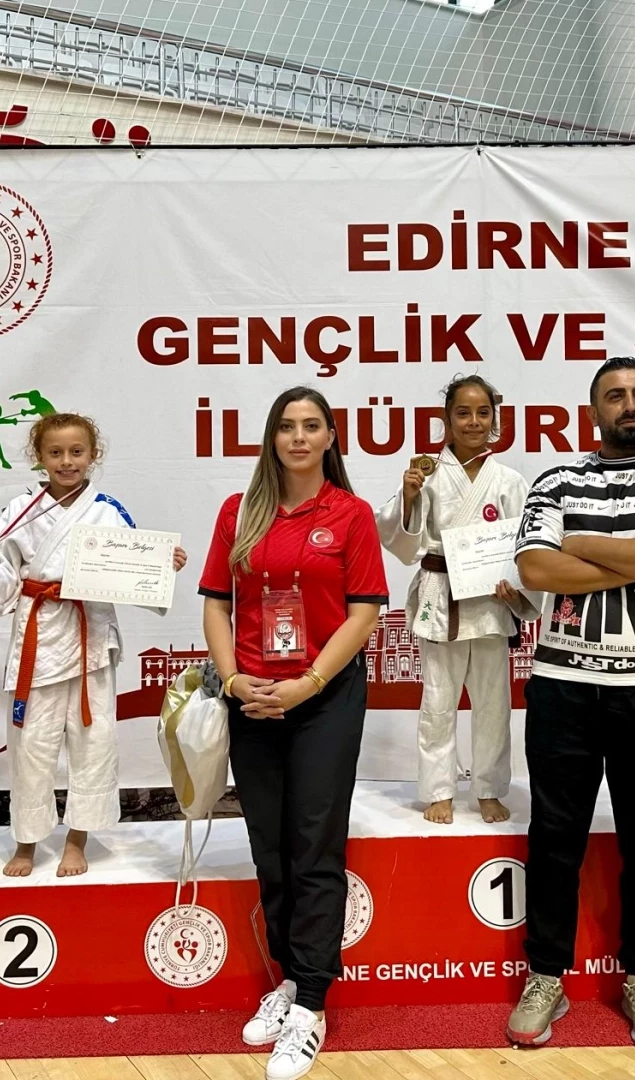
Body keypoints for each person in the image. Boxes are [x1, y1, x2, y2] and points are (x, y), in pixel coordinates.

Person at [504, 357, 635, 1050]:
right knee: (554, 839)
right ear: (593, 410)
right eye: (615, 395)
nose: (629, 404)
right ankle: (546, 975)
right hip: (562, 685)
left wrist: (581, 543)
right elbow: (536, 567)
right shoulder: (555, 480)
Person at [198, 387, 387, 1080]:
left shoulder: (350, 514)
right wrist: (231, 680)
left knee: (314, 847)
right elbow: (217, 606)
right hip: (252, 698)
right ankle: (287, 977)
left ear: (331, 437)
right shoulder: (238, 511)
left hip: (323, 698)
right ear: (271, 438)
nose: (298, 437)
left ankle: (310, 1002)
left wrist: (308, 683)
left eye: (312, 426)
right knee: (270, 848)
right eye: (286, 426)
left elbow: (363, 613)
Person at [0, 412, 187, 879]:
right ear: (39, 457)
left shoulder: (108, 511)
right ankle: (26, 841)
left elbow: (134, 569)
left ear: (92, 455)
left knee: (93, 741)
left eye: (76, 452)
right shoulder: (18, 510)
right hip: (38, 636)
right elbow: (2, 578)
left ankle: (77, 839)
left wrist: (164, 565)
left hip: (91, 639)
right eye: (56, 453)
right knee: (30, 745)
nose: (67, 461)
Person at [376, 375, 540, 824]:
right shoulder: (426, 474)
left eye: (483, 413)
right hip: (441, 596)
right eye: (463, 413)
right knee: (437, 699)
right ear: (446, 419)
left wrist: (515, 586)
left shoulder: (509, 481)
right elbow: (401, 539)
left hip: (490, 601)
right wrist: (410, 497)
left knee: (493, 703)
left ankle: (488, 788)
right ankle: (438, 789)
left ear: (495, 419)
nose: (473, 422)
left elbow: (527, 543)